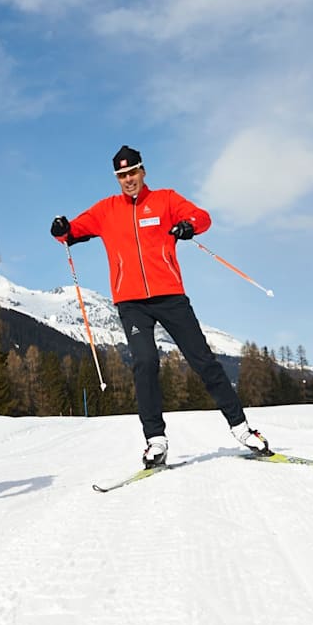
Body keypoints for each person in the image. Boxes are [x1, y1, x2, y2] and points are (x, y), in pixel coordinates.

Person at [50, 144, 270, 468]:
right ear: (117, 178)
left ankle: (241, 429)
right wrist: (61, 229)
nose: (128, 180)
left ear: (143, 171)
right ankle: (156, 441)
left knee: (203, 360)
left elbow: (202, 217)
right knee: (145, 362)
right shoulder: (107, 209)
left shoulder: (165, 199)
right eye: (121, 175)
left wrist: (188, 226)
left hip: (170, 296)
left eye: (132, 172)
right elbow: (72, 233)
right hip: (131, 302)